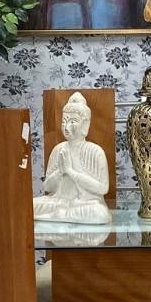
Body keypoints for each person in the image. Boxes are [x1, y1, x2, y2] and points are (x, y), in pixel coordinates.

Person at [33, 92, 113, 224]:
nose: (66, 127)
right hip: (59, 201)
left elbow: (103, 189)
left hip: (85, 203)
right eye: (64, 121)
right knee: (31, 205)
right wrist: (60, 172)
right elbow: (47, 187)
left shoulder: (95, 151)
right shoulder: (58, 150)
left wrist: (70, 172)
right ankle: (63, 213)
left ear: (85, 124)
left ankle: (62, 214)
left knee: (100, 213)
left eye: (73, 121)